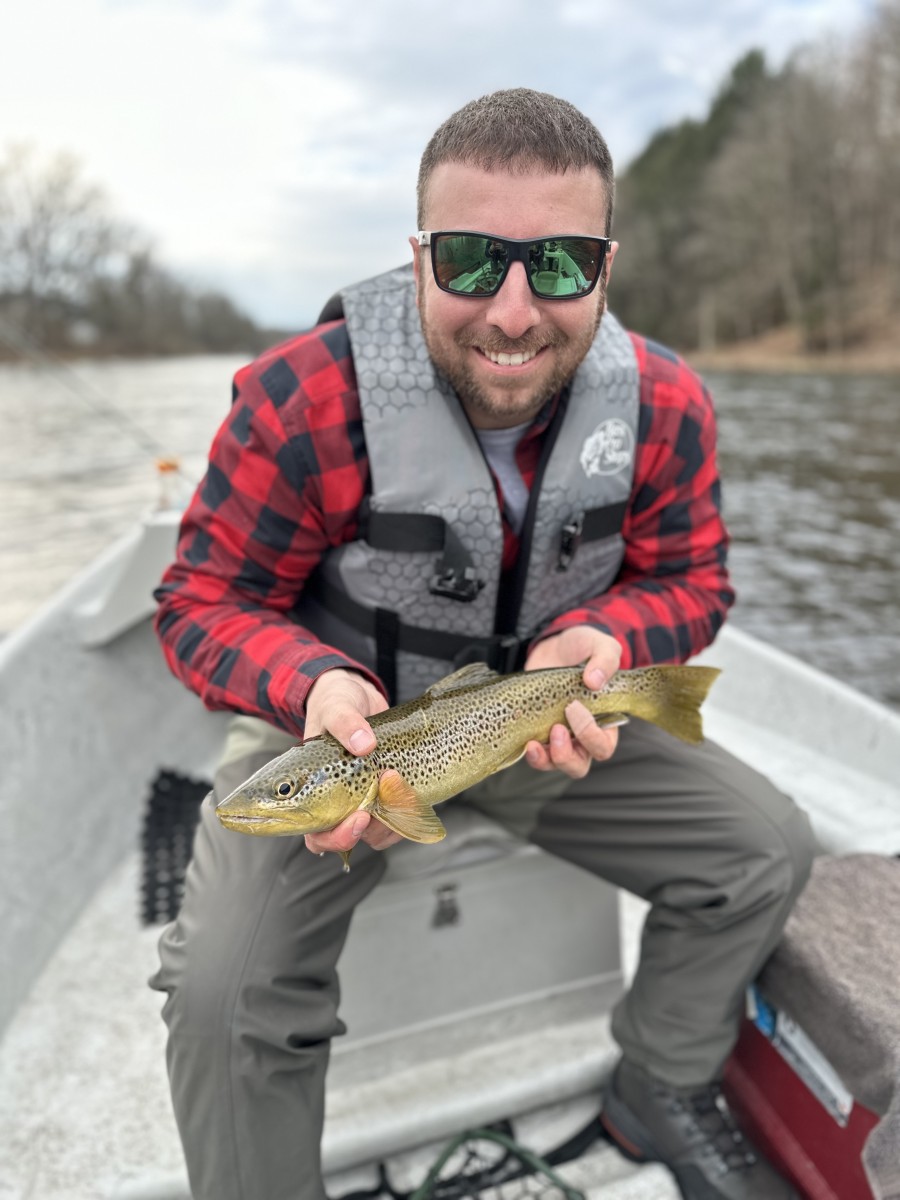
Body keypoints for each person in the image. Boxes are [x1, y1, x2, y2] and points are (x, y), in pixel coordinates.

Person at [150, 88, 816, 1200]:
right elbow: (200, 600)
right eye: (471, 259)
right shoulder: (296, 396)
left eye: (558, 266)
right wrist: (313, 682)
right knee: (221, 988)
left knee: (768, 850)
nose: (512, 310)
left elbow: (694, 579)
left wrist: (609, 637)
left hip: (533, 732)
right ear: (417, 258)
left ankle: (658, 1080)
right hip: (340, 747)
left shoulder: (667, 406)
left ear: (605, 267)